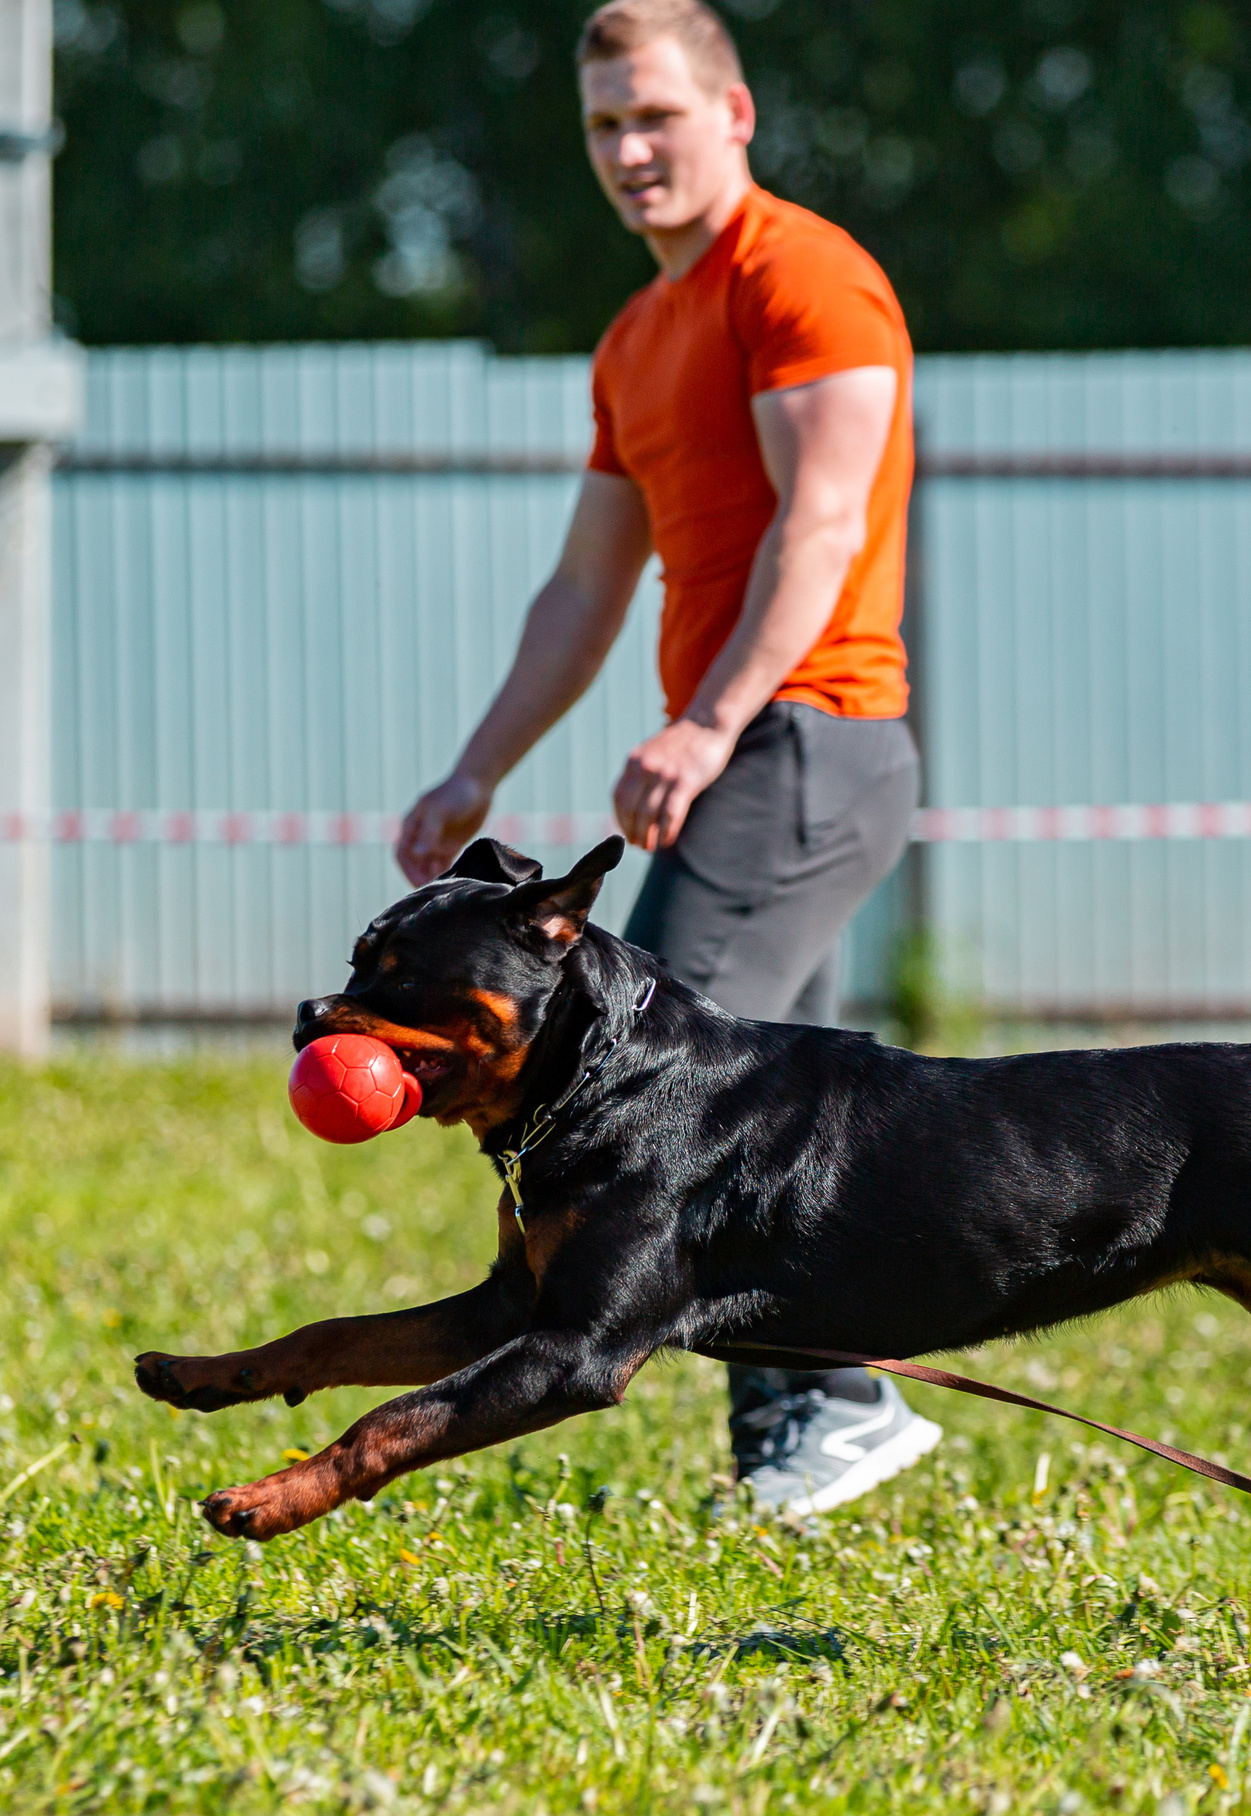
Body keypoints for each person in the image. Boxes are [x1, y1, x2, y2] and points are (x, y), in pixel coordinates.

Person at [395, 0, 939, 1517]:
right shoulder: (638, 335)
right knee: (771, 1108)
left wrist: (707, 721)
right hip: (745, 751)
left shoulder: (807, 277)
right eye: (602, 128)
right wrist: (475, 771)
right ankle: (829, 1401)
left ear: (735, 115)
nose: (629, 152)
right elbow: (584, 588)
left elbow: (821, 525)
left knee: (650, 1094)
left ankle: (821, 1406)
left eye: (656, 119)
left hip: (811, 736)